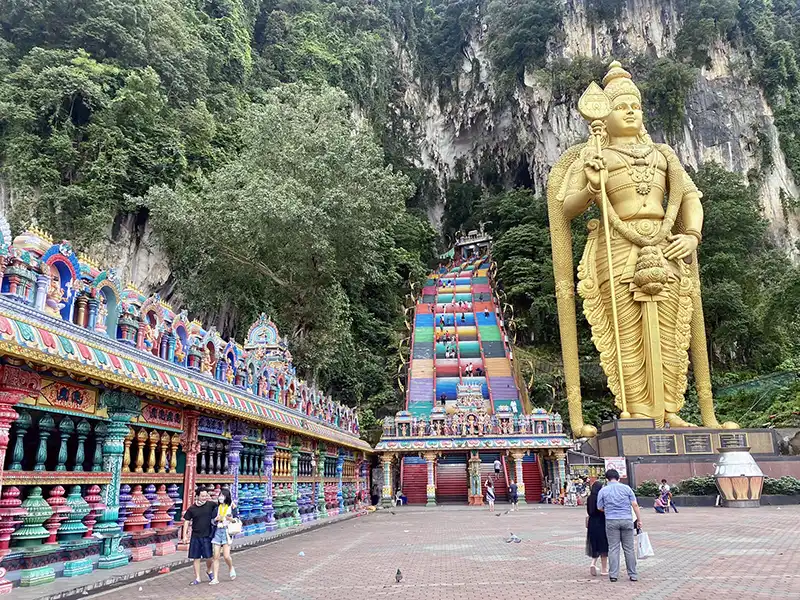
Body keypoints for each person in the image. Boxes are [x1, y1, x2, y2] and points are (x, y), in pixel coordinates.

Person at [597, 469, 642, 583]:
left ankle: (613, 575)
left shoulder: (603, 490)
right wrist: (639, 520)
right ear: (618, 478)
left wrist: (608, 510)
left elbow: (599, 507)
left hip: (611, 520)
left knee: (613, 548)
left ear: (607, 479)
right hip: (627, 519)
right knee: (629, 548)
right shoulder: (627, 488)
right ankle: (633, 574)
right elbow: (635, 505)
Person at [182, 487, 217, 585]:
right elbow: (186, 521)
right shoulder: (192, 508)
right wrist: (184, 535)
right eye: (202, 496)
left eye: (206, 495)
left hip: (207, 535)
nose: (204, 498)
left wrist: (232, 504)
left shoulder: (211, 505)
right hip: (196, 536)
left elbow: (223, 506)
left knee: (209, 557)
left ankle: (209, 570)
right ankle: (197, 578)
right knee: (196, 558)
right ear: (197, 496)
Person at [210, 488, 238, 584]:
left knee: (226, 556)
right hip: (217, 531)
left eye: (223, 495)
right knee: (216, 556)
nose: (221, 497)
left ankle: (231, 567)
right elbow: (212, 521)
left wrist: (230, 519)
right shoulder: (217, 508)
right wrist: (216, 519)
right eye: (220, 495)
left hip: (226, 532)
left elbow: (236, 520)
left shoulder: (232, 508)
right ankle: (215, 578)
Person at [586, 481, 609, 577]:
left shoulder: (589, 498)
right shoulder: (601, 497)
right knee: (604, 545)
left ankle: (593, 563)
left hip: (592, 522)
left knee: (595, 544)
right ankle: (604, 569)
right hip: (601, 522)